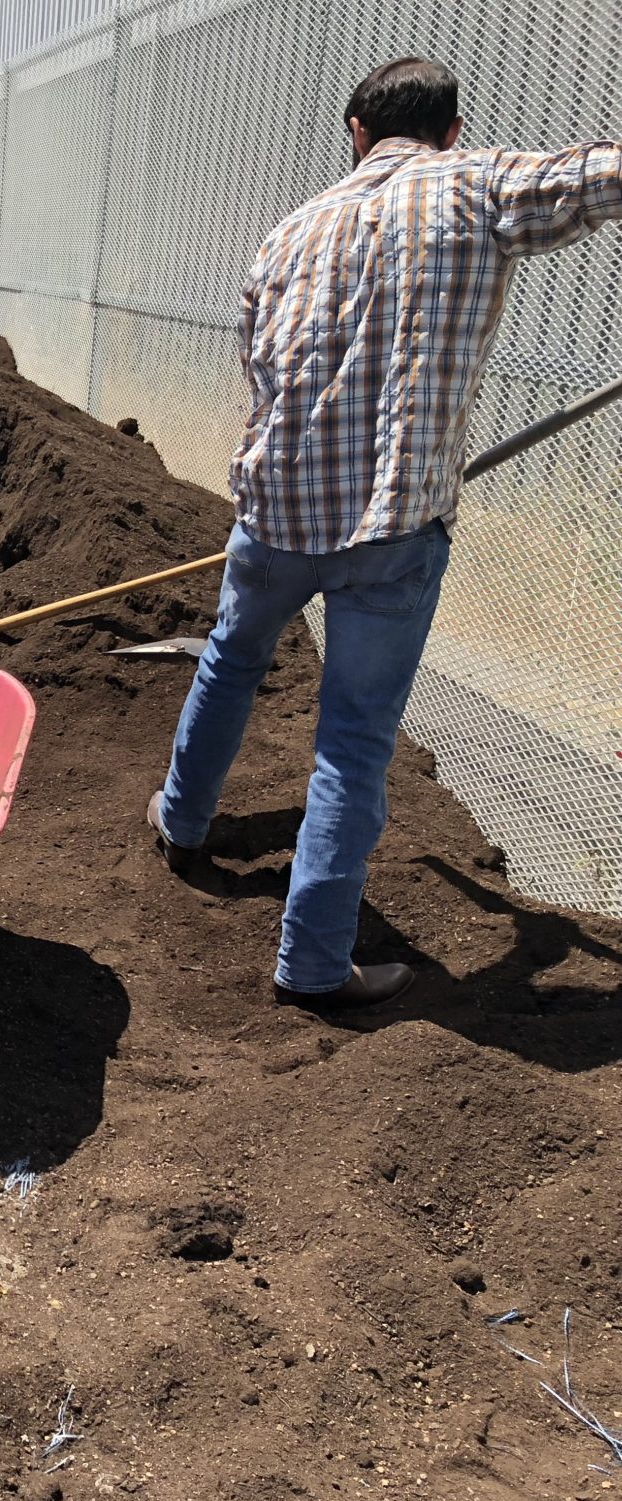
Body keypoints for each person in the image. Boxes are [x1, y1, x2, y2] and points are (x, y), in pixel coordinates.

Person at [147, 58, 620, 1010]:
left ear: (358, 132)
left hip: (274, 513)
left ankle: (182, 821)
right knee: (352, 742)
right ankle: (315, 965)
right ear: (449, 130)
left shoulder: (291, 230)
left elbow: (261, 368)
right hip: (391, 528)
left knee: (229, 662)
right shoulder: (476, 183)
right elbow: (600, 175)